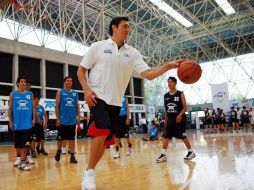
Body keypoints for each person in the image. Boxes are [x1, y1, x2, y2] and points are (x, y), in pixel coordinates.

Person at [77, 16, 183, 190]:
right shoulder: (98, 47)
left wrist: (167, 67)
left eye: (129, 27)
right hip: (98, 96)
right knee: (102, 129)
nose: (128, 29)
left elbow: (148, 74)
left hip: (116, 102)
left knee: (105, 141)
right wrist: (87, 90)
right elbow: (81, 71)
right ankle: (89, 173)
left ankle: (89, 170)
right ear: (114, 27)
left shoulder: (133, 53)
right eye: (125, 26)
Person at [156, 77, 195, 163]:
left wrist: (180, 115)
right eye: (168, 82)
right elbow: (166, 109)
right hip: (170, 118)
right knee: (166, 136)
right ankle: (163, 155)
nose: (169, 84)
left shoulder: (180, 94)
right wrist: (165, 119)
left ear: (175, 83)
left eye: (171, 82)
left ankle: (191, 152)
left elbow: (185, 107)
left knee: (182, 135)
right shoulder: (166, 96)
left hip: (179, 118)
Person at [8, 76, 35, 171]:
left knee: (25, 144)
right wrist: (10, 121)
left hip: (27, 124)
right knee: (18, 144)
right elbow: (10, 109)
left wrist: (33, 118)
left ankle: (22, 163)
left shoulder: (30, 94)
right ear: (18, 83)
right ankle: (20, 160)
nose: (23, 83)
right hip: (17, 124)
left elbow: (33, 108)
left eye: (25, 81)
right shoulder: (13, 94)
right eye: (21, 81)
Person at [54, 76, 81, 163]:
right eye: (68, 80)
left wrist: (79, 117)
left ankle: (72, 156)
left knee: (72, 139)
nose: (70, 82)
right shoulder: (60, 92)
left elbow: (77, 106)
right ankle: (58, 151)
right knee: (61, 139)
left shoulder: (75, 93)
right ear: (64, 82)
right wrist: (58, 119)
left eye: (71, 81)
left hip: (72, 121)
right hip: (62, 120)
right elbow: (56, 106)